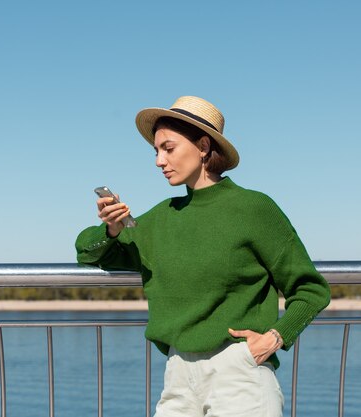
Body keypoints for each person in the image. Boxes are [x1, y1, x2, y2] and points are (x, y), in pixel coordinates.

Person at [75, 96, 331, 417]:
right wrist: (110, 228)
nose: (158, 161)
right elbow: (87, 251)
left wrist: (275, 338)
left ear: (204, 147)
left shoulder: (254, 208)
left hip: (240, 373)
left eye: (168, 148)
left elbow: (311, 290)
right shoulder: (162, 218)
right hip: (178, 375)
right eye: (156, 151)